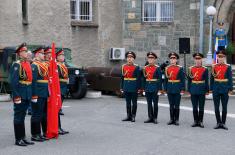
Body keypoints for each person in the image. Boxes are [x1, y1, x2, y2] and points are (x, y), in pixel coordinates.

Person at [10, 43, 35, 146]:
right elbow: (14, 82)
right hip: (20, 94)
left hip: (27, 93)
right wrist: (16, 96)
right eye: (24, 51)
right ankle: (18, 139)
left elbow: (30, 80)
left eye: (26, 51)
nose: (26, 53)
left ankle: (23, 138)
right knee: (18, 116)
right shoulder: (17, 64)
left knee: (23, 116)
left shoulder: (27, 63)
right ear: (20, 53)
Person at [211, 50, 233, 130]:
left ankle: (223, 123)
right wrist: (211, 89)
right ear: (217, 57)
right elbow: (212, 78)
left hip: (224, 89)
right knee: (216, 107)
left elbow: (230, 78)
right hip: (216, 89)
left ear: (224, 57)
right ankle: (218, 122)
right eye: (219, 57)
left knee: (224, 107)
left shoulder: (228, 66)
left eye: (222, 57)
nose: (220, 58)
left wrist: (230, 89)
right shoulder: (214, 66)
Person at [31, 46, 49, 141]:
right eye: (42, 53)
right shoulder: (34, 65)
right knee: (36, 114)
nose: (44, 55)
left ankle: (41, 133)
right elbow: (33, 81)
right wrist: (34, 94)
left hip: (44, 93)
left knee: (43, 114)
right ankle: (35, 134)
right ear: (37, 54)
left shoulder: (43, 65)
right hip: (37, 93)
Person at [188, 53, 209, 128]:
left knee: (201, 106)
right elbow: (189, 80)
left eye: (199, 59)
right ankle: (195, 121)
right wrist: (189, 90)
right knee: (194, 106)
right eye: (196, 59)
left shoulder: (205, 69)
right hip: (193, 89)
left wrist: (207, 90)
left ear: (201, 59)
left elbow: (206, 80)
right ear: (194, 60)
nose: (197, 60)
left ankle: (201, 121)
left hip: (202, 89)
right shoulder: (191, 69)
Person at [165, 52, 185, 126]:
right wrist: (165, 89)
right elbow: (166, 80)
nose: (172, 60)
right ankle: (171, 119)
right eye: (171, 58)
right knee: (171, 104)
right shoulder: (167, 68)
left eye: (174, 58)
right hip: (170, 88)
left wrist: (182, 89)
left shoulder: (180, 68)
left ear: (176, 60)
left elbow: (182, 79)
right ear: (170, 60)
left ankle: (176, 119)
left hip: (177, 88)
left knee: (177, 105)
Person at [120, 51, 141, 122]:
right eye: (128, 57)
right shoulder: (123, 66)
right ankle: (128, 116)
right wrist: (121, 87)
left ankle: (133, 116)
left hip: (134, 87)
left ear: (133, 59)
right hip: (126, 86)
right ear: (126, 58)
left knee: (134, 103)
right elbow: (122, 78)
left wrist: (138, 88)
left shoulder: (136, 67)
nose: (129, 59)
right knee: (127, 102)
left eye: (131, 57)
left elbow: (139, 79)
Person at [143, 52, 162, 124]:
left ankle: (155, 118)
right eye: (149, 58)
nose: (150, 59)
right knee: (149, 103)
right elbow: (144, 79)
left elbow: (160, 79)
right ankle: (150, 117)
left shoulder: (157, 68)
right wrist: (143, 89)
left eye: (152, 58)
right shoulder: (145, 68)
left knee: (155, 103)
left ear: (154, 59)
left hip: (155, 88)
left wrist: (159, 89)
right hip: (147, 87)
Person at [56, 49, 69, 135]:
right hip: (59, 88)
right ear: (57, 57)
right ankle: (57, 127)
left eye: (63, 55)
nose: (63, 57)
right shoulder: (57, 66)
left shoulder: (63, 65)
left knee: (59, 109)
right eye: (61, 55)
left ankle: (59, 127)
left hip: (63, 87)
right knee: (57, 109)